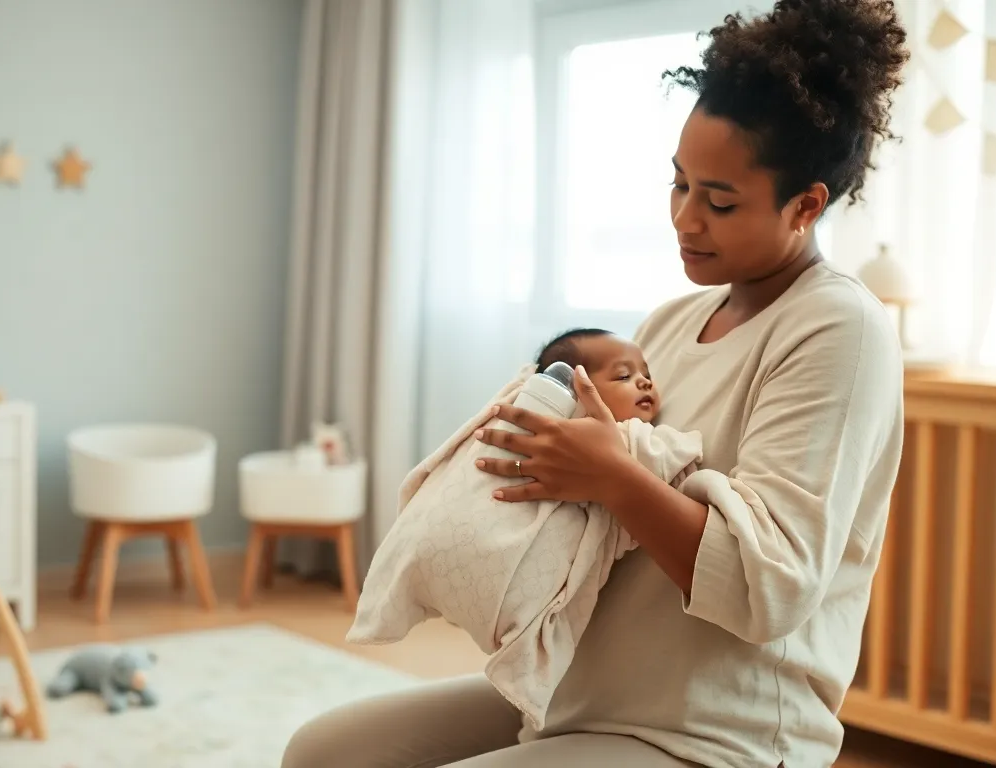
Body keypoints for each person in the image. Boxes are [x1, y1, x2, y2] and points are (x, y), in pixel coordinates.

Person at [281, 0, 908, 765]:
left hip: (715, 729)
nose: (685, 219)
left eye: (719, 201)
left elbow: (768, 586)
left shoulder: (838, 328)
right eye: (679, 184)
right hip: (583, 692)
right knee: (323, 752)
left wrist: (611, 475)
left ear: (805, 205)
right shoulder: (672, 321)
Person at [345, 329, 703, 732]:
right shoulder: (589, 433)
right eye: (623, 376)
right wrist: (686, 448)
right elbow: (673, 456)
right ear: (574, 390)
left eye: (646, 375)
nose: (644, 382)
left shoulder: (624, 441)